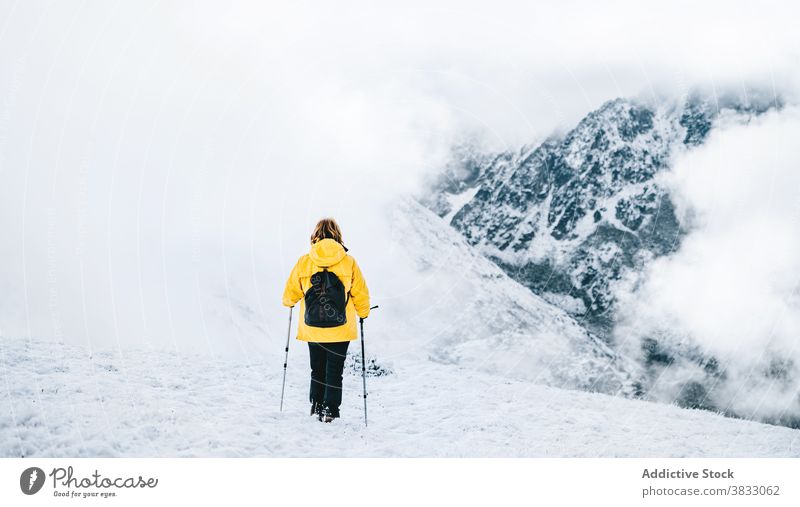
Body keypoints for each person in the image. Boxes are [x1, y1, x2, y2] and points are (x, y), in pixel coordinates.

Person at [282, 218, 370, 422]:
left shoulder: (304, 261)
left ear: (315, 235)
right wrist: (363, 313)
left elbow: (290, 294)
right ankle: (330, 410)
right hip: (341, 328)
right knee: (334, 371)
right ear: (337, 235)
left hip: (313, 328)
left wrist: (289, 302)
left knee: (317, 368)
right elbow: (361, 293)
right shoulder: (349, 262)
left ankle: (317, 405)